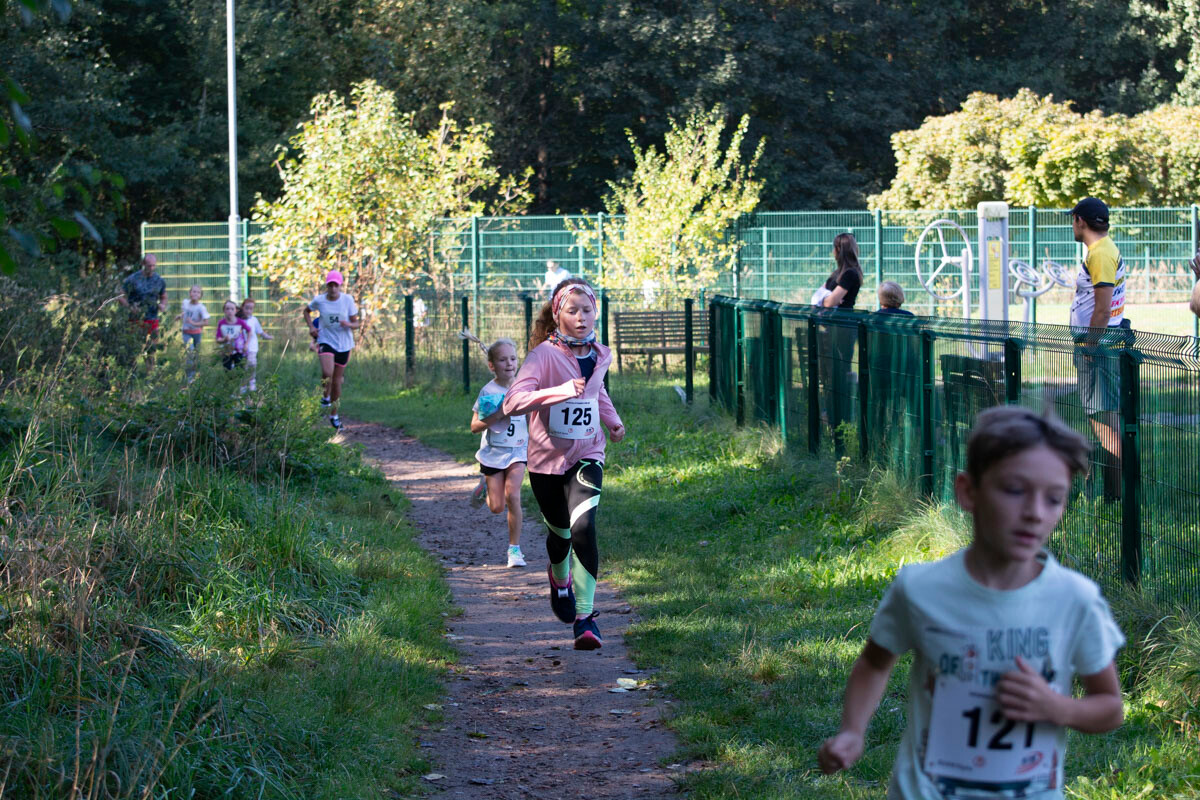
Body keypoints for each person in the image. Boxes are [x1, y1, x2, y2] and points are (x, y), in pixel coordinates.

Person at [818, 405, 1125, 799]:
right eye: (1014, 490)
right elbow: (875, 664)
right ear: (968, 492)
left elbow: (1110, 708)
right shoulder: (920, 588)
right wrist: (852, 731)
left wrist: (1057, 707)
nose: (1034, 513)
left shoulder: (1076, 600)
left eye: (1054, 498)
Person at [502, 278, 625, 650]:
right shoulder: (542, 355)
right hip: (545, 461)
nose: (581, 317)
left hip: (588, 453)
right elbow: (512, 402)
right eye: (572, 311)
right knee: (561, 534)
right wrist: (557, 392)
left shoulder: (600, 354)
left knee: (584, 526)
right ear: (558, 316)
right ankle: (559, 579)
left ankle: (586, 619)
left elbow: (597, 391)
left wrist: (612, 420)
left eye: (587, 310)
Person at [1066, 197, 1127, 500]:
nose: (1072, 225)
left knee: (1105, 424)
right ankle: (1115, 496)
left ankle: (1116, 498)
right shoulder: (1102, 249)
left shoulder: (1100, 253)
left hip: (1098, 348)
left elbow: (1102, 310)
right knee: (1103, 420)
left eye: (1072, 219)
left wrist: (1089, 345)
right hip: (1101, 346)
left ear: (1080, 220)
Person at [468, 336, 529, 569]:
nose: (509, 363)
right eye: (502, 360)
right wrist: (499, 414)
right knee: (496, 507)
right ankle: (484, 485)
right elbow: (475, 426)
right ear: (492, 365)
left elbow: (534, 414)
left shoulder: (524, 387)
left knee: (513, 495)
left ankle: (514, 550)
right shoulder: (488, 391)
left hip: (518, 451)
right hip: (493, 453)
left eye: (513, 358)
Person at [819, 232, 864, 454]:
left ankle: (840, 419)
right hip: (830, 330)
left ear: (839, 250)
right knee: (828, 374)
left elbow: (829, 301)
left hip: (842, 331)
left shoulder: (850, 275)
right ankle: (831, 415)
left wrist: (822, 300)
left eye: (834, 248)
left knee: (839, 373)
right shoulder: (838, 274)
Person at [303, 270, 360, 430]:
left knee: (336, 381)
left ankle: (334, 415)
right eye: (330, 285)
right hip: (326, 340)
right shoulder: (320, 300)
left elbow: (356, 324)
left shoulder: (348, 300)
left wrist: (348, 324)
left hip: (344, 344)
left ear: (340, 286)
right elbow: (306, 311)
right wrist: (311, 327)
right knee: (327, 372)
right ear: (327, 285)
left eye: (336, 285)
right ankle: (325, 394)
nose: (333, 288)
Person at [119, 253, 168, 336]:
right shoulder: (133, 279)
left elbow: (163, 296)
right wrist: (129, 307)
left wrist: (162, 305)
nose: (152, 268)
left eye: (153, 266)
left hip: (152, 318)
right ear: (143, 264)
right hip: (136, 319)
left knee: (152, 346)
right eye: (149, 266)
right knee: (135, 346)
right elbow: (120, 296)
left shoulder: (159, 280)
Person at [238, 298, 273, 391]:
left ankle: (252, 386)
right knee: (242, 367)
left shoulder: (254, 320)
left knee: (251, 366)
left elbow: (260, 332)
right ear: (242, 307)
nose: (248, 310)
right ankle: (243, 387)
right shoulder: (238, 320)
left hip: (252, 348)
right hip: (240, 349)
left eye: (251, 308)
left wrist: (268, 336)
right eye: (246, 308)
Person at [178, 284, 210, 382]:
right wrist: (180, 316)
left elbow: (206, 322)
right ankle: (189, 377)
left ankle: (197, 373)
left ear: (201, 295)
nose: (195, 294)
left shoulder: (201, 308)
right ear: (190, 293)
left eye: (198, 292)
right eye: (193, 291)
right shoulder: (185, 303)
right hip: (186, 332)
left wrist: (194, 323)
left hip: (196, 333)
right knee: (190, 352)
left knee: (196, 354)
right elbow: (185, 313)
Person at [214, 299, 252, 371]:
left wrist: (246, 344)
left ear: (236, 310)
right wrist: (224, 340)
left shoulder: (240, 322)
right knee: (227, 371)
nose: (230, 311)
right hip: (226, 352)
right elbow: (218, 339)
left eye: (232, 309)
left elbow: (250, 331)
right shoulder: (221, 323)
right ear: (224, 310)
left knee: (240, 370)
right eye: (227, 309)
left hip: (239, 351)